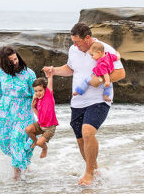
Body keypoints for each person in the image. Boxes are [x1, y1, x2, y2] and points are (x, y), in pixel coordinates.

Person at [43, 23, 125, 185]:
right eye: (73, 42)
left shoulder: (104, 49)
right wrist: (54, 70)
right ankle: (95, 170)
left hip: (99, 99)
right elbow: (71, 69)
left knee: (88, 132)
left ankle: (89, 174)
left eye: (77, 42)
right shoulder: (74, 50)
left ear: (87, 38)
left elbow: (121, 73)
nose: (75, 45)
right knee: (81, 139)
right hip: (78, 102)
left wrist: (100, 79)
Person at [0, 46, 36, 179]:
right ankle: (25, 166)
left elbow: (37, 94)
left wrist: (41, 113)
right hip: (5, 114)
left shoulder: (29, 74)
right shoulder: (1, 73)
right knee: (7, 143)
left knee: (17, 140)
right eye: (11, 60)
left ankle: (16, 175)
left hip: (23, 113)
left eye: (15, 58)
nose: (15, 62)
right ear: (5, 62)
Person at [24, 72, 58, 159]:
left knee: (40, 143)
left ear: (45, 89)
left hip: (49, 128)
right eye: (36, 91)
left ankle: (44, 148)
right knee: (28, 130)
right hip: (40, 124)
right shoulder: (37, 101)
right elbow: (39, 115)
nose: (38, 93)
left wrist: (50, 76)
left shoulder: (48, 96)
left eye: (40, 90)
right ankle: (35, 141)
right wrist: (33, 107)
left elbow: (50, 84)